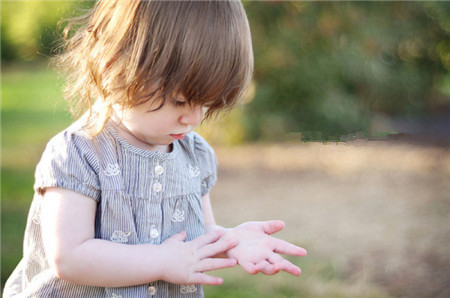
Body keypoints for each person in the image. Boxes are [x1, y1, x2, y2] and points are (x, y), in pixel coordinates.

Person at [3, 1, 307, 297]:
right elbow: (69, 256)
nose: (194, 118)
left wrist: (229, 240)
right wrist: (161, 261)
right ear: (116, 65)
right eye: (179, 100)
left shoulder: (193, 155)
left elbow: (196, 234)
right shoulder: (80, 153)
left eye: (206, 103)